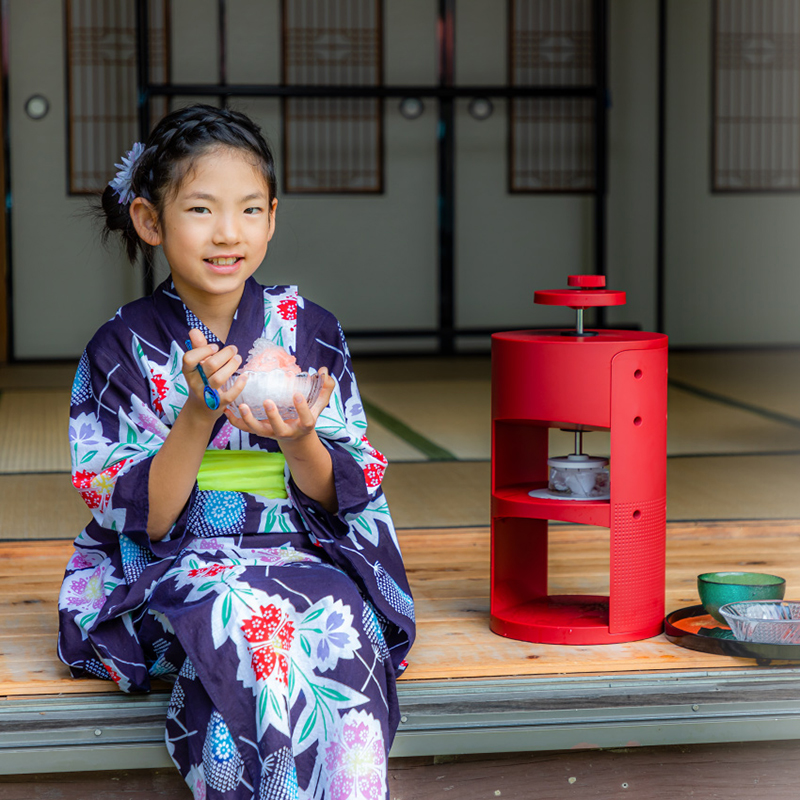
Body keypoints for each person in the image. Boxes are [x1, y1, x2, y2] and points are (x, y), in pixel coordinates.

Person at [57, 104, 415, 800]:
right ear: (150, 221)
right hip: (173, 562)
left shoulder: (310, 329)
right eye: (200, 210)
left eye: (250, 210)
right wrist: (198, 412)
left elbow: (342, 491)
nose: (228, 233)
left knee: (339, 625)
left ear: (273, 217)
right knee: (242, 627)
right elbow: (148, 519)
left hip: (300, 545)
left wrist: (300, 436)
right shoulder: (120, 346)